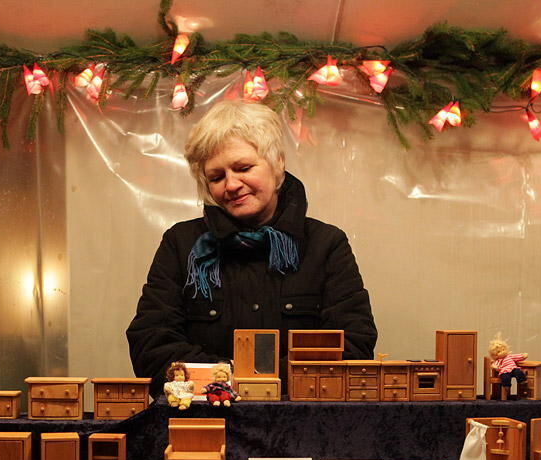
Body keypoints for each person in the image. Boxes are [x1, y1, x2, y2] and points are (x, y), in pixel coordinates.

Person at [126, 100, 376, 396]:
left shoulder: (326, 244)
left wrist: (252, 381)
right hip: (207, 419)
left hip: (302, 425)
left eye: (243, 167)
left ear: (277, 162)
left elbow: (354, 344)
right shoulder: (180, 244)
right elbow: (151, 345)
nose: (231, 185)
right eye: (216, 177)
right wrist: (230, 381)